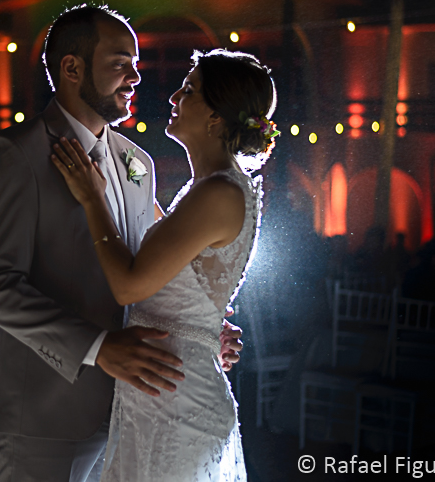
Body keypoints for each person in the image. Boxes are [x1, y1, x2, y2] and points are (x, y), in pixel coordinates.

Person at [0, 5, 243, 482]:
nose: (136, 76)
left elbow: (147, 265)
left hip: (135, 415)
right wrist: (98, 348)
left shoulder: (137, 161)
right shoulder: (16, 154)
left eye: (135, 63)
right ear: (72, 68)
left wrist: (196, 330)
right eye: (121, 63)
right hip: (47, 413)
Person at [52, 48, 274, 481]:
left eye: (188, 89)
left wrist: (91, 198)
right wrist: (206, 330)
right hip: (160, 391)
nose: (173, 97)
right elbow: (171, 251)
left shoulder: (220, 193)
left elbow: (129, 286)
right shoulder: (205, 189)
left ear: (215, 117)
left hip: (177, 404)